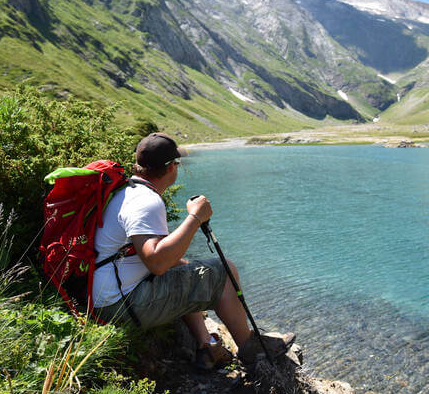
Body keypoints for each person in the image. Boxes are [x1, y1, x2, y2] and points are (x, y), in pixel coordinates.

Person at [93, 132, 294, 369]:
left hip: (106, 299)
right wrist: (196, 217)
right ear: (171, 168)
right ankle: (250, 347)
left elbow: (155, 257)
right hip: (123, 307)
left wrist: (184, 265)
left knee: (185, 269)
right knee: (224, 271)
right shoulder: (147, 202)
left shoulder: (128, 192)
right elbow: (156, 262)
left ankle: (206, 346)